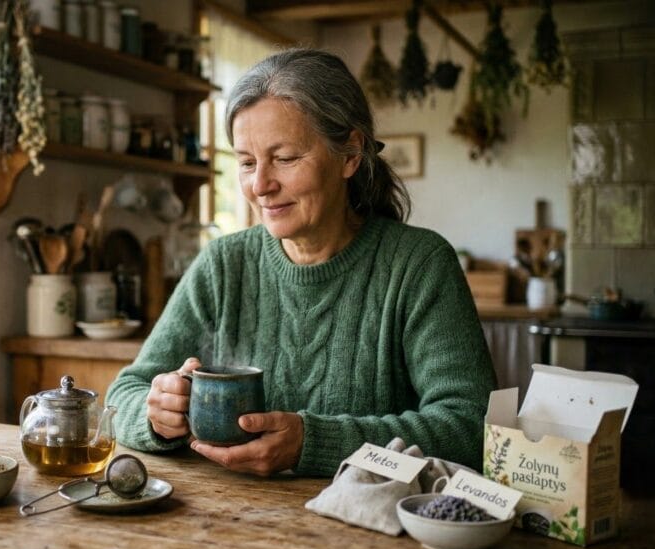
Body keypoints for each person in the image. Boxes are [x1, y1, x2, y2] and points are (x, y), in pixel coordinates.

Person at [105, 48, 496, 477]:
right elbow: (123, 393)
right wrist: (157, 414)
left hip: (367, 516)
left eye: (285, 158)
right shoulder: (223, 264)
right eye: (247, 162)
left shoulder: (419, 265)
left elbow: (471, 426)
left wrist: (314, 443)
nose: (260, 185)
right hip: (226, 513)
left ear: (350, 154)